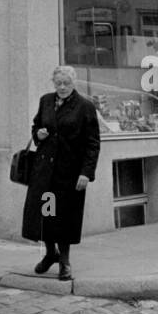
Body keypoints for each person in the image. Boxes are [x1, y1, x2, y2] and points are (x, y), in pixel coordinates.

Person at [21, 65, 101, 281]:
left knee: (65, 217)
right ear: (53, 84)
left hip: (69, 173)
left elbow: (93, 143)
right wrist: (39, 134)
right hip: (46, 172)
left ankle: (64, 261)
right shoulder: (46, 100)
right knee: (47, 214)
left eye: (66, 83)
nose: (62, 87)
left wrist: (86, 173)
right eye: (59, 83)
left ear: (73, 83)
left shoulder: (85, 106)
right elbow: (36, 126)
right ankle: (50, 254)